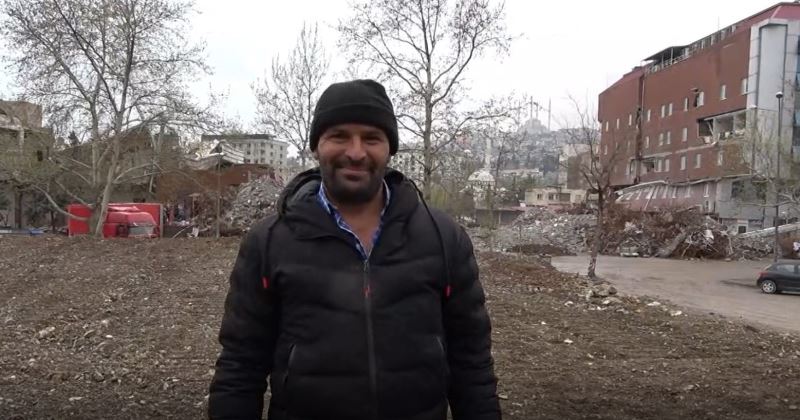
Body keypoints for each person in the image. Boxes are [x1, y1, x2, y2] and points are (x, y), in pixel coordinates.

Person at [208, 79, 500, 420]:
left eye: (371, 138)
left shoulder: (442, 238)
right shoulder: (270, 242)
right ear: (316, 146)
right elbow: (240, 366)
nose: (356, 152)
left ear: (389, 149)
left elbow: (472, 363)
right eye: (339, 136)